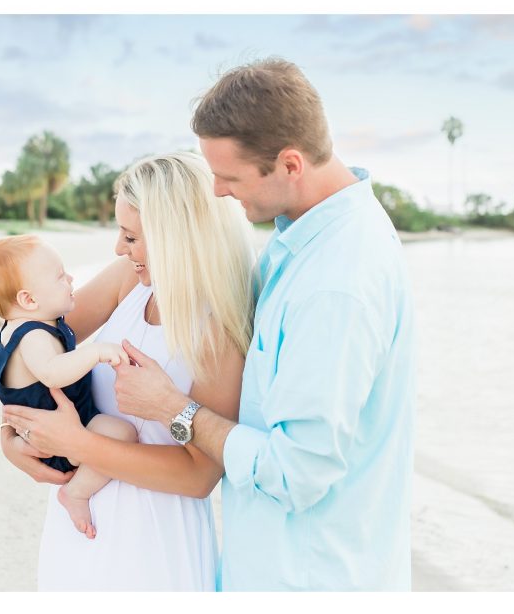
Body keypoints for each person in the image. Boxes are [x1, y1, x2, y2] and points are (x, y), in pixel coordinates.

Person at [108, 58, 417, 591]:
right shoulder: (297, 242)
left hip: (311, 582)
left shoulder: (337, 282)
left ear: (290, 165)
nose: (218, 193)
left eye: (228, 177)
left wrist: (172, 409)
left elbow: (297, 474)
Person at [0, 152, 255, 591]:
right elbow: (28, 350)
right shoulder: (128, 281)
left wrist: (77, 442)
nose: (120, 248)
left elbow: (199, 476)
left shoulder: (219, 327)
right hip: (77, 520)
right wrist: (10, 436)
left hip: (152, 539)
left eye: (131, 237)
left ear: (176, 237)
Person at [0, 235, 135, 539]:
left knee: (117, 433)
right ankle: (76, 492)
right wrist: (95, 353)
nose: (71, 279)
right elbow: (51, 373)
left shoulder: (17, 329)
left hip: (51, 433)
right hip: (59, 441)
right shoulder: (33, 336)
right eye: (61, 276)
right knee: (122, 434)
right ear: (29, 300)